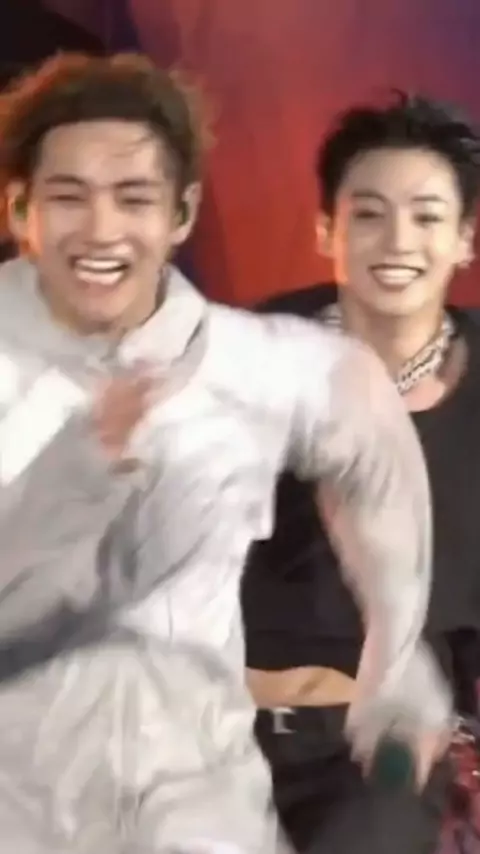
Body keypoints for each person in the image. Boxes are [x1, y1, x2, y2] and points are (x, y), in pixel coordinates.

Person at [0, 57, 449, 853]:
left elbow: (369, 442)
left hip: (202, 811)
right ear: (19, 208)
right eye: (69, 197)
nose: (102, 229)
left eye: (134, 198)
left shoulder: (253, 368)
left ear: (182, 212)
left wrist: (396, 652)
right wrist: (71, 481)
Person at [243, 92, 480, 853]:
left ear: (465, 239)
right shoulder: (251, 356)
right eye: (369, 214)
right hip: (215, 725)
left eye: (427, 216)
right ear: (328, 231)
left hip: (383, 749)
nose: (397, 240)